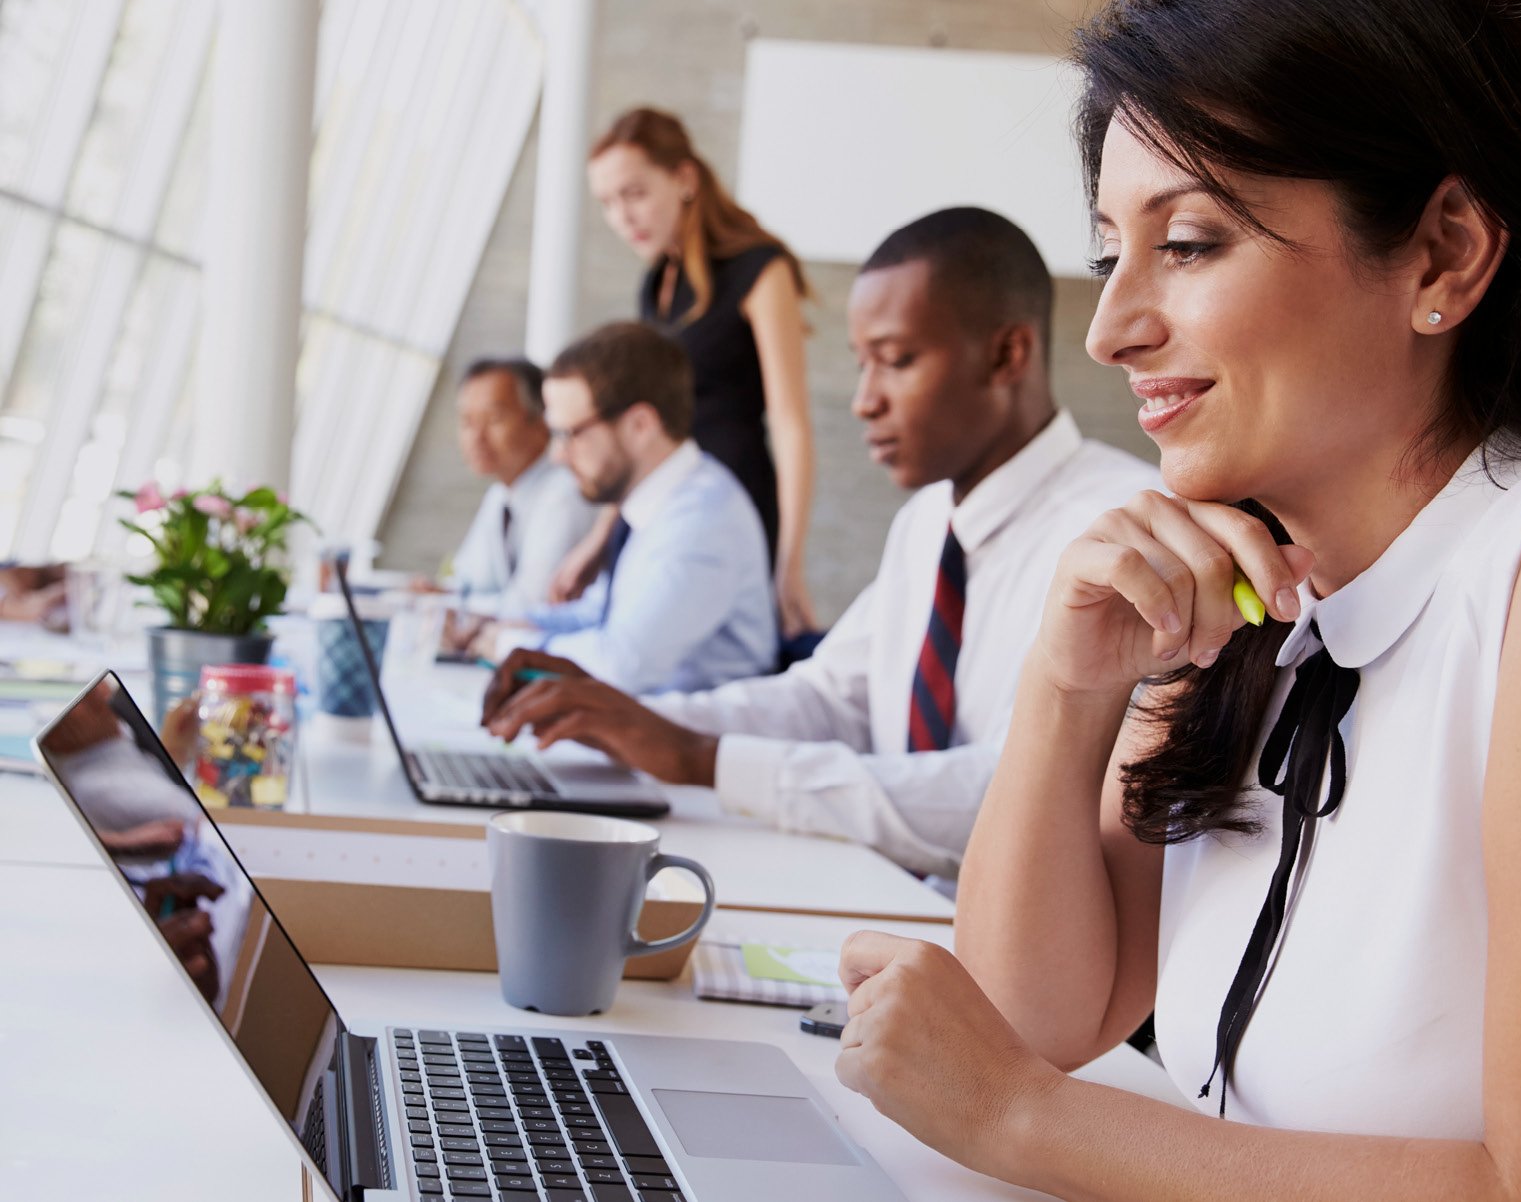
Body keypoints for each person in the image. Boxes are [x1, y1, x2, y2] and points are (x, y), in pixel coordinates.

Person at [821, 0, 1521, 1198]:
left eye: (1189, 241)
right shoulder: (1252, 583)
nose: (1110, 327)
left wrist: (1019, 1122)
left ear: (1440, 253)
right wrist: (1065, 686)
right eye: (1112, 251)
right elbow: (1035, 1011)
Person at [479, 208, 1166, 878]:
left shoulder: (1119, 534)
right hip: (889, 897)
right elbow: (831, 701)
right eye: (860, 363)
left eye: (894, 361)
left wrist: (701, 758)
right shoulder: (928, 520)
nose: (863, 400)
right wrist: (621, 717)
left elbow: (1007, 793)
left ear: (1005, 354)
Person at [579, 106, 820, 638]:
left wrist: (790, 562)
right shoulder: (655, 284)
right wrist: (600, 535)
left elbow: (790, 423)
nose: (623, 217)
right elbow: (643, 429)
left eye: (634, 194)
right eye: (608, 203)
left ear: (684, 179)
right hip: (661, 504)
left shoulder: (760, 269)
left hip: (730, 500)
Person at [479, 322, 775, 695]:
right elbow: (598, 616)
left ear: (640, 425)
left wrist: (509, 646)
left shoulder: (702, 522)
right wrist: (498, 624)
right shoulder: (653, 508)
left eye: (570, 435)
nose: (557, 456)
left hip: (683, 739)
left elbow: (620, 664)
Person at [439, 358, 596, 624]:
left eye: (493, 419)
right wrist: (439, 596)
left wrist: (453, 608)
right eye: (467, 422)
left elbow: (531, 604)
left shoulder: (565, 493)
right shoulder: (500, 495)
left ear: (542, 425)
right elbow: (468, 578)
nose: (476, 437)